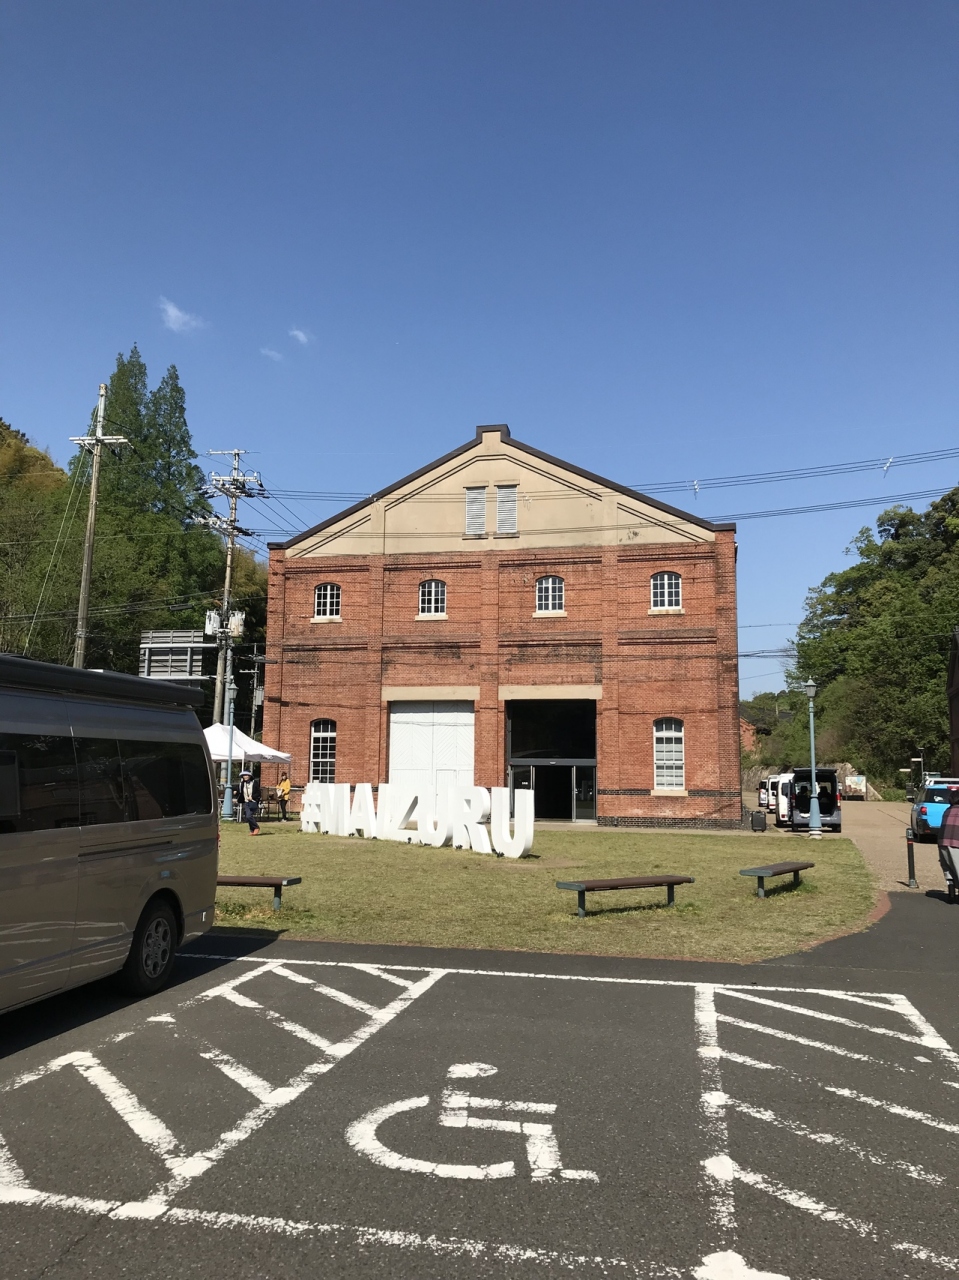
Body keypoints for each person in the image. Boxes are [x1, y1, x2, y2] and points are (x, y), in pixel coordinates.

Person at [937, 791, 959, 899]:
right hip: (956, 843)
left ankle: (951, 890)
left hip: (942, 842)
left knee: (948, 867)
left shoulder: (947, 810)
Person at [238, 770, 261, 835]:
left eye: (246, 775)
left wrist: (252, 797)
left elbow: (258, 793)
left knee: (249, 816)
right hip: (246, 802)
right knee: (247, 816)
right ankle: (252, 830)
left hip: (253, 802)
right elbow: (240, 791)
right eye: (244, 775)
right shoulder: (242, 784)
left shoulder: (254, 782)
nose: (245, 776)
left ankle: (256, 827)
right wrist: (235, 792)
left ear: (250, 776)